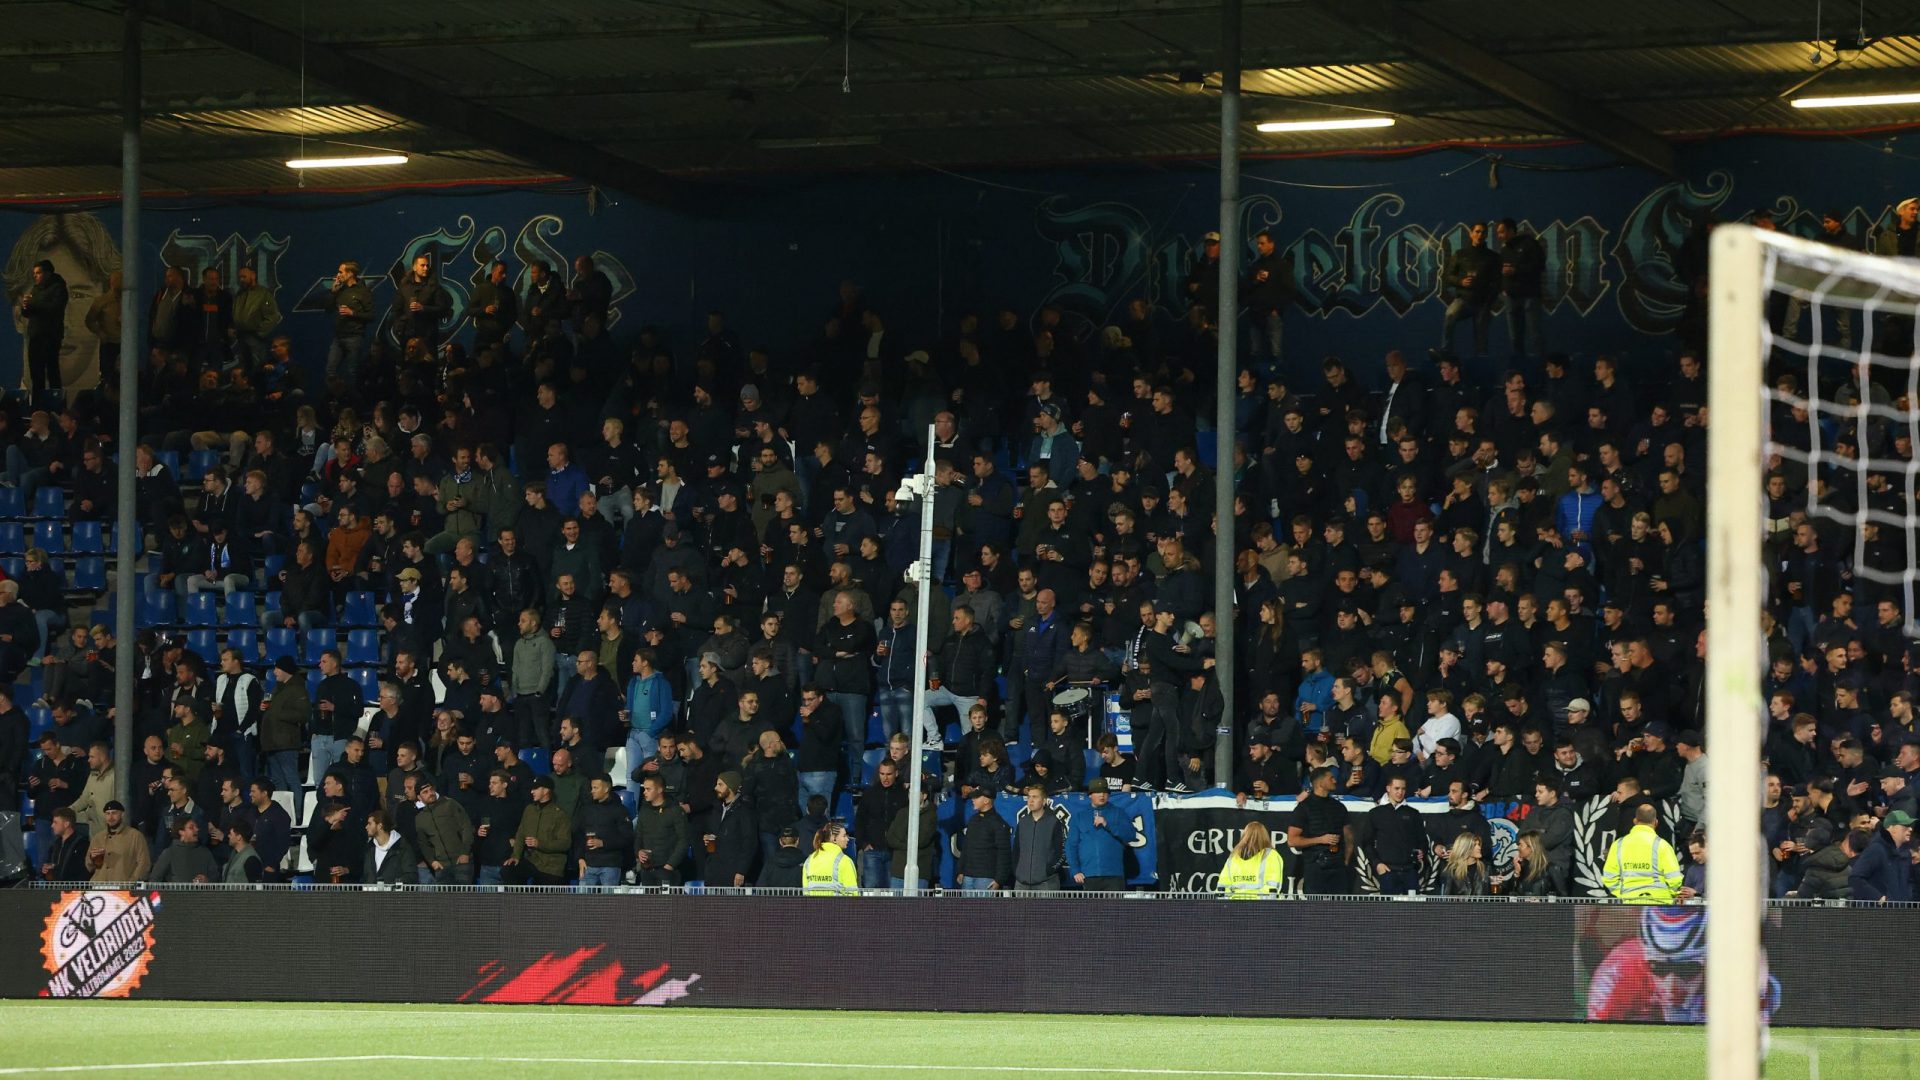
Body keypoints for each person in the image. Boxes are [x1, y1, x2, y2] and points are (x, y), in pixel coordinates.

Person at [1286, 766, 1352, 895]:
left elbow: (1349, 838)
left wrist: (1346, 861)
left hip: (1338, 868)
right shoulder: (1304, 808)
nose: (1335, 780)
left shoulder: (1339, 807)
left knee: (1341, 909)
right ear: (1320, 783)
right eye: (1331, 778)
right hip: (1315, 867)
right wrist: (1320, 840)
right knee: (1315, 911)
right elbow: (1292, 840)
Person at [1601, 803, 1683, 903]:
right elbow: (1675, 879)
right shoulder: (1662, 845)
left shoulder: (1618, 845)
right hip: (1659, 904)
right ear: (1656, 822)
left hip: (1630, 903)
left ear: (1635, 821)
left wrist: (1622, 894)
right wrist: (1669, 895)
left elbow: (1609, 877)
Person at [1066, 778, 1134, 890]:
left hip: (1114, 875)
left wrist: (1108, 824)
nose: (1102, 795)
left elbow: (1130, 835)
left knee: (1115, 908)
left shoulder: (1118, 812)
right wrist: (1075, 870)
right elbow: (1071, 846)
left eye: (1105, 792)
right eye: (1097, 792)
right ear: (1090, 795)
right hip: (1089, 874)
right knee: (1092, 908)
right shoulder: (1079, 817)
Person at [504, 776, 572, 887]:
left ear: (546, 790)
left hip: (551, 866)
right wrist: (515, 856)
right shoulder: (529, 810)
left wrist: (539, 843)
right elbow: (520, 834)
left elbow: (565, 843)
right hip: (532, 861)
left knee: (541, 900)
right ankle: (518, 902)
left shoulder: (560, 815)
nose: (532, 791)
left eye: (535, 789)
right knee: (508, 870)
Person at [1848, 809, 1915, 903]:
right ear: (1891, 828)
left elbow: (1909, 880)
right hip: (1880, 915)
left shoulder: (1906, 853)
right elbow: (1855, 878)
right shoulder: (1876, 849)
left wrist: (1908, 897)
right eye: (1905, 826)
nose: (1910, 829)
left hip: (1902, 913)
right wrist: (1878, 898)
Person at [1011, 782, 1065, 893]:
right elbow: (1016, 850)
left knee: (1045, 911)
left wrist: (1048, 870)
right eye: (1029, 797)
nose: (1030, 800)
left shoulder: (1054, 822)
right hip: (1021, 883)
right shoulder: (1022, 822)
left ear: (1044, 801)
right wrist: (1017, 871)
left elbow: (1061, 852)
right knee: (1019, 911)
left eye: (1035, 797)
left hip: (1046, 883)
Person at [958, 787, 1013, 892]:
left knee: (983, 909)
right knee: (965, 909)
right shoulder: (973, 820)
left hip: (986, 878)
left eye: (976, 797)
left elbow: (1004, 853)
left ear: (986, 800)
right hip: (968, 876)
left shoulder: (998, 823)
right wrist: (961, 870)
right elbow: (966, 847)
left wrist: (999, 879)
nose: (972, 800)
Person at [1218, 819, 1284, 899]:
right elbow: (1272, 887)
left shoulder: (1233, 856)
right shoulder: (1271, 855)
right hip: (1263, 908)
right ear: (1265, 835)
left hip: (1235, 906)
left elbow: (1222, 888)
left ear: (1244, 835)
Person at [362, 808, 419, 886]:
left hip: (393, 897)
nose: (366, 827)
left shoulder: (402, 847)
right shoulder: (369, 848)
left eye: (369, 823)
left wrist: (393, 886)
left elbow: (411, 875)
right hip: (371, 896)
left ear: (380, 826)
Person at [800, 821, 858, 896]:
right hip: (838, 907)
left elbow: (806, 892)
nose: (847, 839)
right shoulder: (844, 861)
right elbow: (852, 894)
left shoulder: (809, 860)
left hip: (814, 907)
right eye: (844, 836)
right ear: (834, 839)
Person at [1437, 831, 1491, 896]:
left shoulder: (1486, 868)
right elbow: (1446, 897)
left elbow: (1493, 895)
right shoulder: (1451, 871)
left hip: (1483, 906)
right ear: (1465, 848)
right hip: (1459, 906)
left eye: (1479, 844)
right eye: (1474, 845)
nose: (1479, 848)